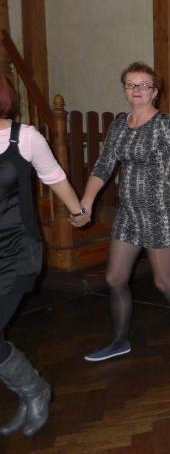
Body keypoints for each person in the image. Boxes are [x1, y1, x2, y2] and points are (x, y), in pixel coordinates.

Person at [81, 62, 170, 366]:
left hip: (161, 212)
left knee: (165, 282)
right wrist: (86, 202)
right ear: (124, 89)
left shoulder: (164, 123)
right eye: (130, 84)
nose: (136, 90)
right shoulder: (119, 124)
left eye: (143, 85)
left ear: (154, 92)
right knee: (115, 278)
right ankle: (119, 341)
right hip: (129, 212)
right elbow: (103, 165)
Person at [0, 76, 89, 436]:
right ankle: (32, 392)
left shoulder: (25, 138)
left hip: (17, 252)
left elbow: (55, 177)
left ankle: (35, 391)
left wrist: (78, 212)